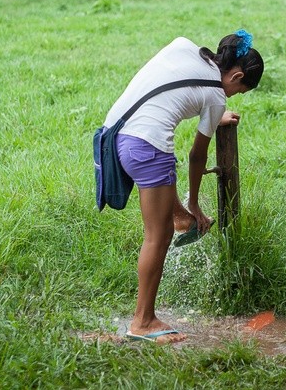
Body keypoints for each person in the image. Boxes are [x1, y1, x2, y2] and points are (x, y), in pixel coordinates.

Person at [101, 31, 264, 344]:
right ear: (237, 76)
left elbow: (179, 90)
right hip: (147, 146)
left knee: (165, 205)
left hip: (118, 134)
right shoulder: (217, 95)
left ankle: (180, 218)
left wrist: (214, 115)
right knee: (157, 236)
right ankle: (143, 322)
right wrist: (197, 205)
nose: (230, 97)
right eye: (237, 90)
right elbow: (197, 155)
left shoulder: (187, 48)